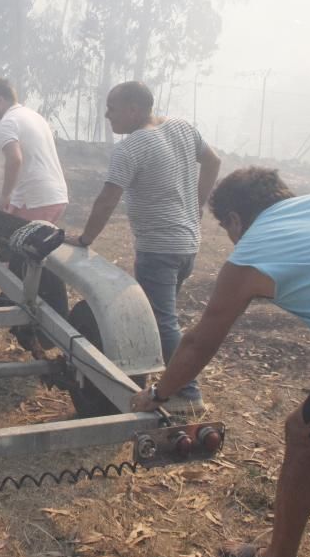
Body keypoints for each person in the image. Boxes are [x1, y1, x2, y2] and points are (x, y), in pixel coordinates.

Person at [131, 168, 310, 557]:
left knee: (304, 437)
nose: (231, 239)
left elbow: (199, 342)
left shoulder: (253, 252)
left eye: (227, 228)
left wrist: (157, 394)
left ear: (234, 219)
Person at [68, 81, 222, 412]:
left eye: (111, 108)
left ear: (133, 109)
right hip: (187, 245)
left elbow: (108, 197)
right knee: (164, 319)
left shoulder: (131, 148)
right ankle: (175, 381)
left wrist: (84, 239)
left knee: (162, 321)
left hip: (159, 249)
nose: (106, 115)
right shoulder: (182, 128)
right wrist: (197, 204)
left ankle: (188, 394)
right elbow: (213, 162)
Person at [0, 77, 70, 317]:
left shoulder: (7, 122)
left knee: (22, 255)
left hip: (36, 197)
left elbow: (15, 159)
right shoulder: (33, 116)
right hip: (54, 194)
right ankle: (21, 303)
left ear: (1, 100)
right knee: (26, 253)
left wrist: (6, 195)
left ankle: (26, 311)